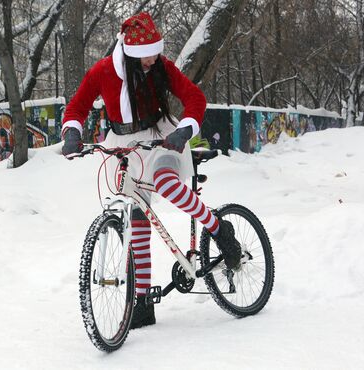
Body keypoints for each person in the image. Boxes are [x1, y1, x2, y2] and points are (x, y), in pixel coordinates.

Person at [61, 12, 242, 329]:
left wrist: (185, 130)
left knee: (166, 183)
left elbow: (194, 97)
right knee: (137, 215)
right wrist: (72, 132)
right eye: (146, 56)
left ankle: (217, 228)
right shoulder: (103, 71)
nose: (153, 59)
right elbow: (77, 105)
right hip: (125, 144)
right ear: (130, 56)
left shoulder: (162, 66)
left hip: (162, 138)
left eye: (154, 53)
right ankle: (142, 301)